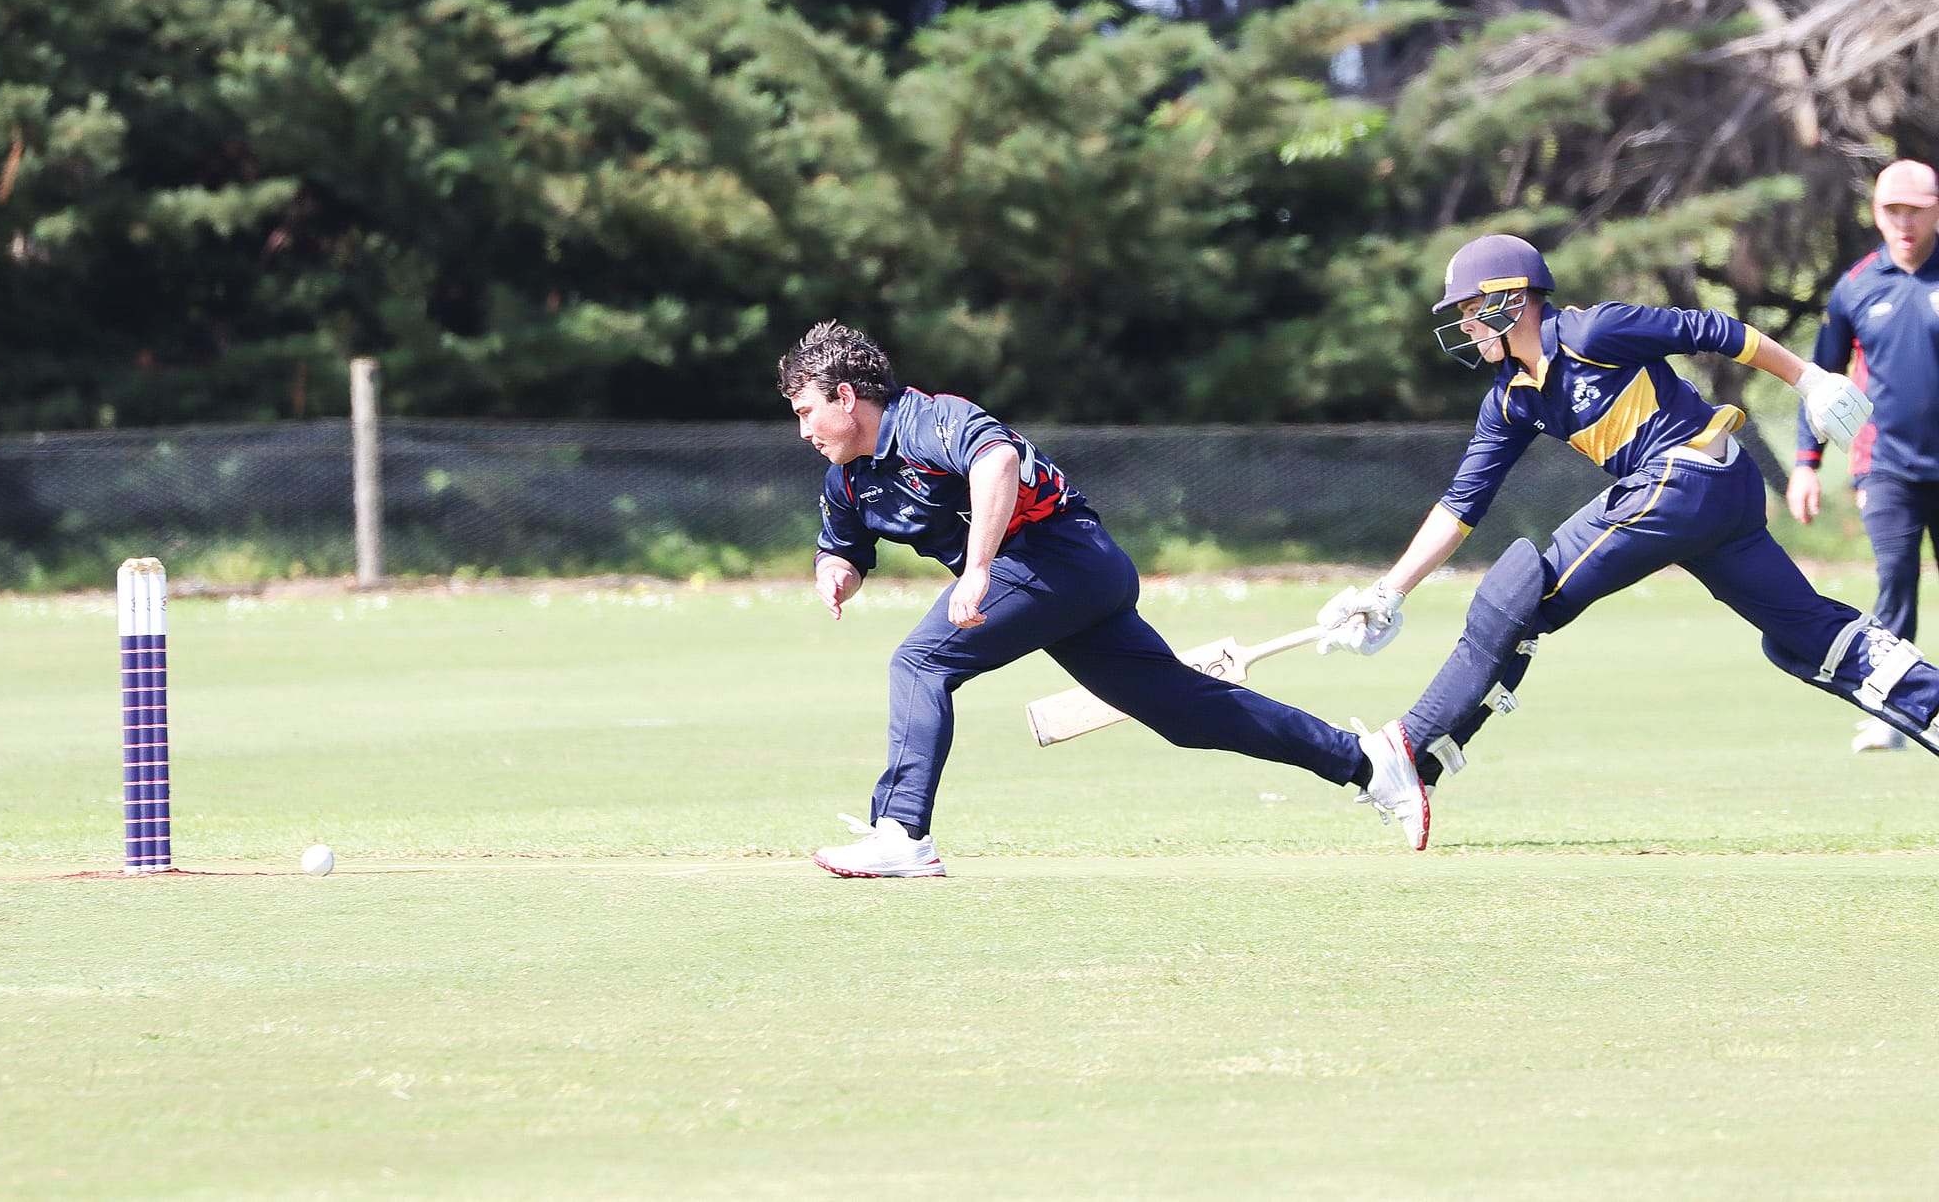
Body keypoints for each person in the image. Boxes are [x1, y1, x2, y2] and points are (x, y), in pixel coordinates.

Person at [1315, 233, 1939, 848]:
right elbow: (1460, 506)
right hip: (1711, 499)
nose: (1466, 326)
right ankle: (1930, 700)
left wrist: (1808, 379)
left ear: (1510, 299)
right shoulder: (1509, 399)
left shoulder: (1591, 332)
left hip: (1686, 477)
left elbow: (1709, 329)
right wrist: (1387, 590)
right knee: (1809, 640)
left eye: (1470, 310)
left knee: (1517, 593)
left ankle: (1409, 750)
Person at [777, 320, 1427, 874]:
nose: (803, 430)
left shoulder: (927, 418)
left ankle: (901, 834)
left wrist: (976, 570)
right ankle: (1369, 764)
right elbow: (843, 545)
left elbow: (996, 461)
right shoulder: (849, 478)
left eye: (807, 412)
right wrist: (836, 571)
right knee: (1185, 712)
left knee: (921, 662)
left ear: (844, 395)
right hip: (1058, 580)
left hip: (1062, 556)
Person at [1785, 160, 1939, 753]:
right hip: (1887, 466)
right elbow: (1817, 381)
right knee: (1895, 583)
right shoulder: (1856, 287)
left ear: (1934, 212)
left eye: (1916, 211)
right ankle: (1897, 711)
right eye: (1892, 211)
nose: (1904, 222)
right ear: (1877, 214)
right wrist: (1805, 463)